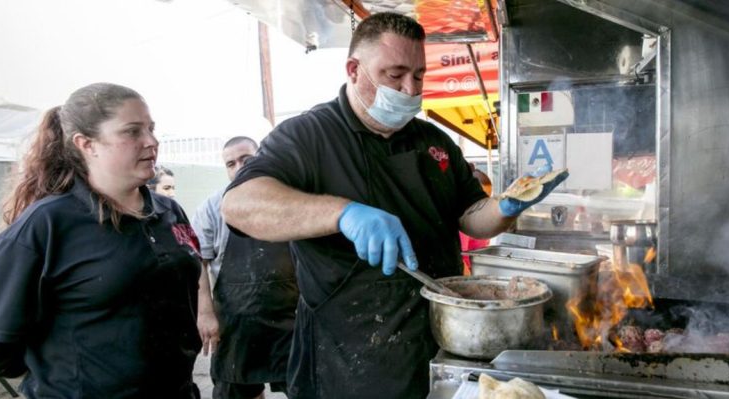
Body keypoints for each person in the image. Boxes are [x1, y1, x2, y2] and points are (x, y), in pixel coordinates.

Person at [222, 12, 567, 399]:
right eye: (395, 75)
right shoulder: (309, 135)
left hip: (437, 343)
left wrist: (508, 205)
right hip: (349, 359)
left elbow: (473, 218)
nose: (410, 89)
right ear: (354, 70)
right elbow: (239, 204)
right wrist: (343, 213)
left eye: (418, 76)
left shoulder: (433, 141)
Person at [0, 83, 203, 398]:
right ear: (86, 144)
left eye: (151, 128)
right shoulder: (48, 223)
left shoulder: (169, 210)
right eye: (132, 132)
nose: (151, 141)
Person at [193, 136, 298, 399]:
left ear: (261, 156)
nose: (239, 167)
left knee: (306, 387)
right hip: (237, 322)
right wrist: (205, 313)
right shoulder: (211, 208)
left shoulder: (292, 198)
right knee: (238, 389)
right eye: (231, 163)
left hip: (292, 319)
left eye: (246, 159)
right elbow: (198, 262)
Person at [460, 163, 493, 275]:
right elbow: (461, 260)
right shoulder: (463, 220)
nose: (483, 204)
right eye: (478, 200)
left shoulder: (481, 219)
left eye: (486, 199)